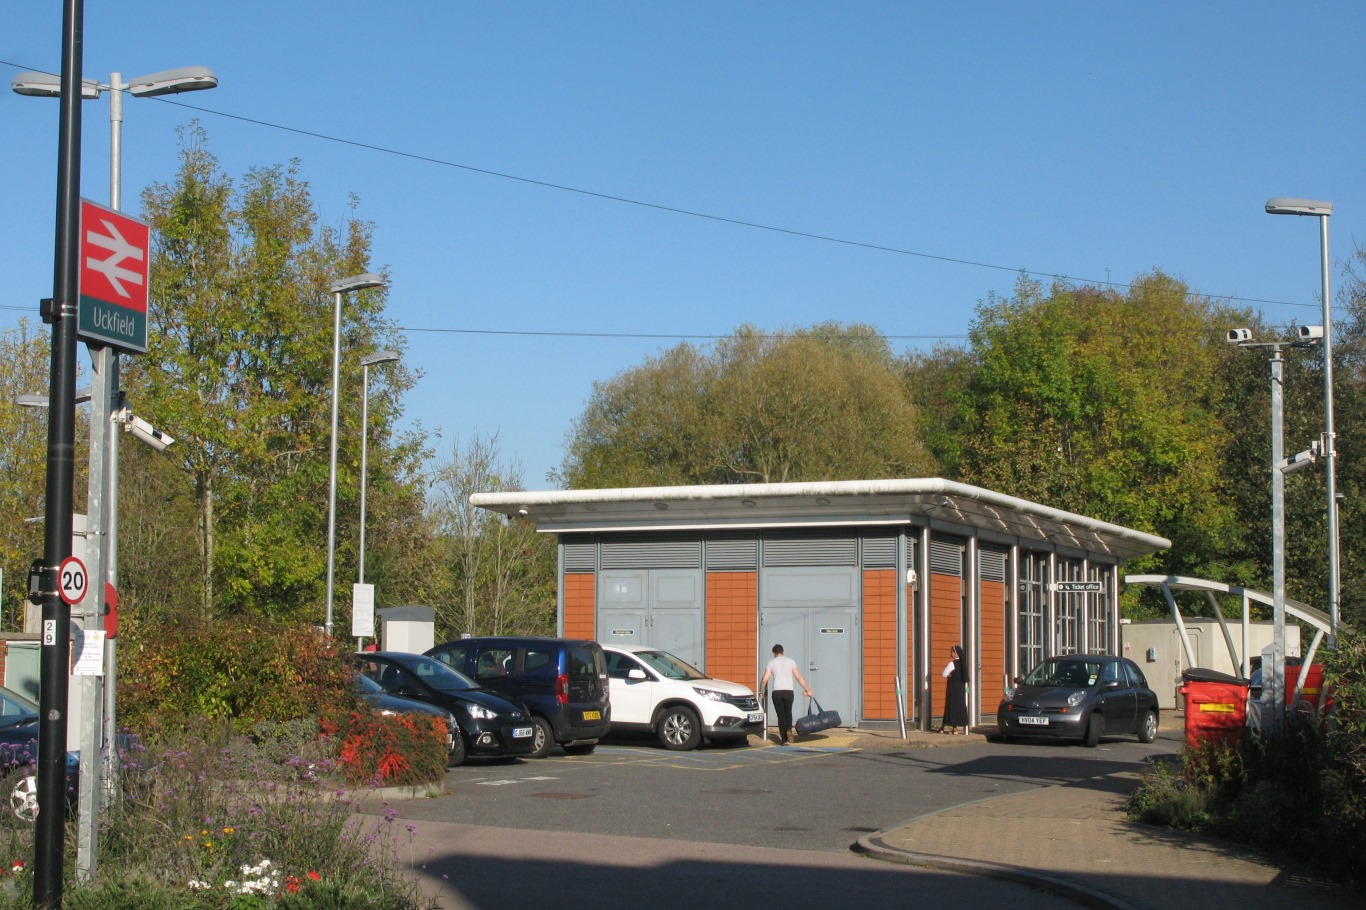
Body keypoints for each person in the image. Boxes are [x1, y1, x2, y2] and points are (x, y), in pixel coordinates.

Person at [758, 644, 812, 745]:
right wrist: (807, 689)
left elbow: (764, 679)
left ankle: (784, 739)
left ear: (773, 653)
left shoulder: (771, 663)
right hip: (788, 691)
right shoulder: (791, 662)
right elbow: (798, 678)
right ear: (783, 652)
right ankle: (789, 730)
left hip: (777, 692)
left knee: (781, 716)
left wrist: (761, 691)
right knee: (788, 713)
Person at [940, 645, 970, 734]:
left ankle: (947, 727)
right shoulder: (962, 665)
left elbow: (944, 674)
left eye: (952, 652)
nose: (951, 653)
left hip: (952, 688)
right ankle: (955, 728)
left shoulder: (952, 664)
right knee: (959, 707)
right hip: (961, 689)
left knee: (950, 707)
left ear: (956, 653)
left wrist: (948, 675)